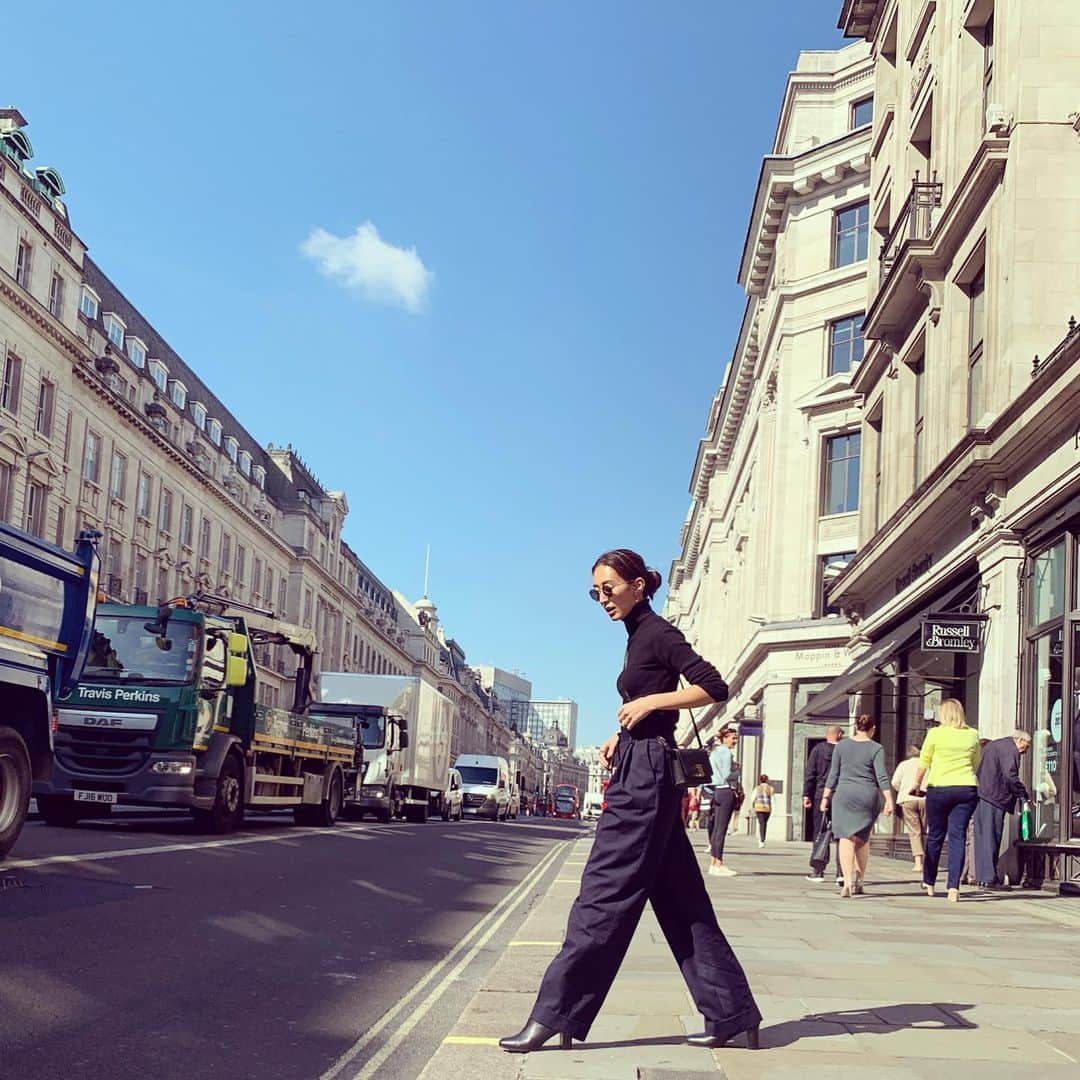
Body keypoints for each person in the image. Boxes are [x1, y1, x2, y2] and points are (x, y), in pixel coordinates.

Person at [500, 549, 761, 1053]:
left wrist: (647, 705)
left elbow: (714, 686)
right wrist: (625, 730)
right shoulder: (636, 636)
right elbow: (653, 708)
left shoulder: (657, 632)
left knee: (602, 895)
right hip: (643, 765)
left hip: (645, 780)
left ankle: (555, 1014)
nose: (602, 599)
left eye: (610, 588)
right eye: (595, 592)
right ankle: (731, 1012)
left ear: (638, 585)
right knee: (682, 900)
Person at [911, 698, 981, 902]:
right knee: (958, 836)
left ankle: (930, 882)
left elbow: (924, 760)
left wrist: (916, 783)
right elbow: (976, 761)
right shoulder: (972, 734)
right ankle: (953, 887)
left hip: (939, 788)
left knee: (935, 835)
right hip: (966, 787)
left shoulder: (935, 734)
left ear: (944, 714)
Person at [820, 715, 894, 897]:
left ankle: (847, 881)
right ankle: (860, 880)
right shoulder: (876, 748)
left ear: (855, 727)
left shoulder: (842, 746)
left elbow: (833, 774)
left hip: (844, 795)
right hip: (867, 795)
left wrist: (825, 797)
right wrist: (889, 800)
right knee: (862, 838)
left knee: (845, 837)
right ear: (873, 729)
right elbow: (882, 776)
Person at [974, 730, 1032, 888]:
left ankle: (983, 877)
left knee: (983, 838)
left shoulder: (995, 745)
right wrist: (1023, 794)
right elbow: (1010, 775)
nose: (1025, 752)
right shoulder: (1010, 749)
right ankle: (989, 878)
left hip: (982, 795)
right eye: (1025, 747)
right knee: (992, 837)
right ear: (1019, 740)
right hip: (995, 797)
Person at [803, 725, 843, 883]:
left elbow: (810, 773)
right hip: (840, 794)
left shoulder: (818, 750)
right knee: (841, 834)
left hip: (821, 794)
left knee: (820, 831)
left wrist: (807, 794)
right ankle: (841, 872)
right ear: (839, 734)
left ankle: (818, 870)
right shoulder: (845, 750)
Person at [708, 728, 740, 876]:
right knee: (721, 829)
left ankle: (714, 862)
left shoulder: (714, 752)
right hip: (726, 790)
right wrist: (737, 770)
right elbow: (727, 774)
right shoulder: (726, 752)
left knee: (716, 829)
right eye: (733, 738)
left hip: (717, 791)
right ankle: (719, 863)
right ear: (725, 738)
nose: (735, 741)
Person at [891, 745, 927, 875]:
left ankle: (918, 862)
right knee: (924, 830)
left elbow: (895, 782)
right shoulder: (928, 764)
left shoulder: (903, 765)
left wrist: (903, 788)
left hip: (907, 798)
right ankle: (926, 861)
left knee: (914, 831)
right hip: (925, 798)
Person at [750, 775, 774, 848]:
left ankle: (761, 840)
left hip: (758, 808)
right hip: (767, 809)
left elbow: (752, 799)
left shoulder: (757, 788)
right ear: (766, 780)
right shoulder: (770, 788)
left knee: (762, 823)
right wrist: (773, 810)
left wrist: (752, 807)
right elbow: (773, 800)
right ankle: (762, 840)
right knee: (764, 824)